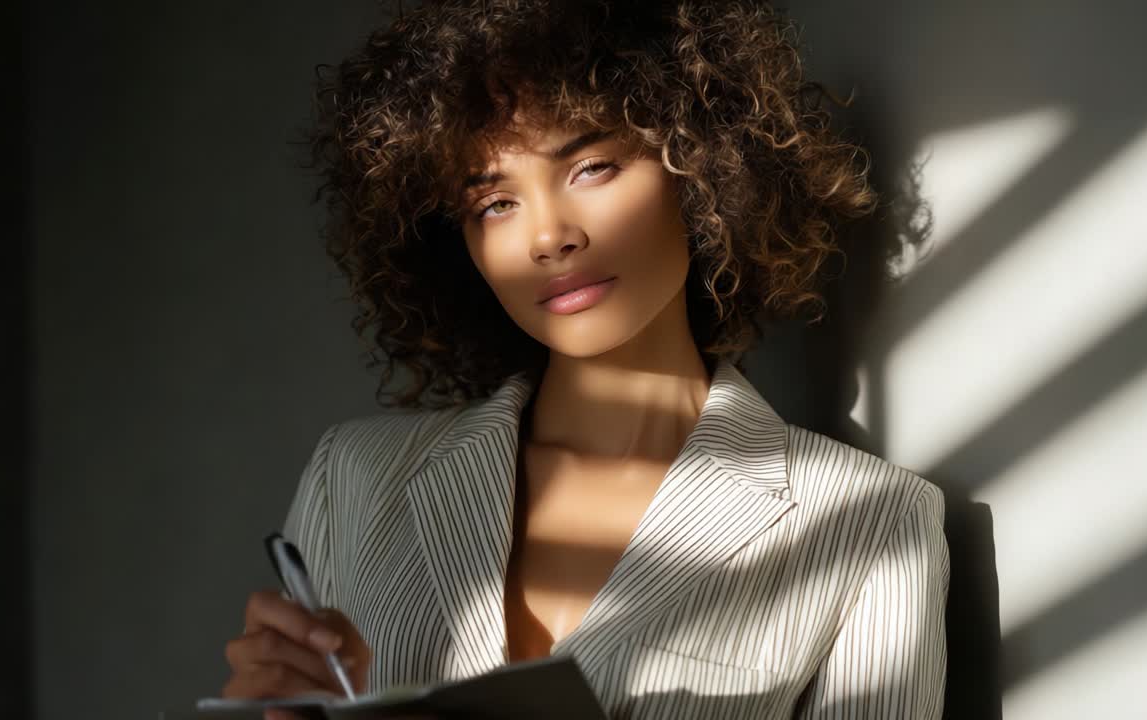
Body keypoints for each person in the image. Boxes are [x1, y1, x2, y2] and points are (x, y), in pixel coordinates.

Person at [219, 0, 950, 717]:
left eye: (592, 167)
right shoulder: (352, 481)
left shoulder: (873, 525)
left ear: (699, 167)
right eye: (495, 203)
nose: (549, 237)